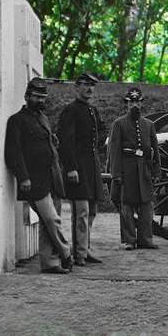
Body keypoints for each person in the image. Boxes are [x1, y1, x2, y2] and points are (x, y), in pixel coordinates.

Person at [4, 77, 73, 274]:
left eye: (43, 97)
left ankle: (50, 263)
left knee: (46, 222)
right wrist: (23, 177)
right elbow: (13, 152)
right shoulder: (16, 121)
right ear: (27, 96)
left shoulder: (42, 119)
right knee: (52, 219)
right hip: (34, 180)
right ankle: (66, 253)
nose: (40, 101)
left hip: (53, 176)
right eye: (36, 97)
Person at [57, 72, 105, 266]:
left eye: (92, 86)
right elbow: (65, 142)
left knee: (91, 211)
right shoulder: (71, 110)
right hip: (77, 167)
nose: (89, 89)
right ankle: (79, 254)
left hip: (91, 166)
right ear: (76, 88)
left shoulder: (92, 110)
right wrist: (70, 168)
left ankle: (85, 249)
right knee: (81, 211)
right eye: (85, 85)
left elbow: (99, 133)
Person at [107, 87, 161, 250]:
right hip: (126, 168)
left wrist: (156, 170)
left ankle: (145, 239)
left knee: (146, 205)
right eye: (131, 103)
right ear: (127, 104)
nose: (134, 105)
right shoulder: (118, 124)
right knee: (127, 207)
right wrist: (116, 173)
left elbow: (155, 149)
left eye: (137, 102)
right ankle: (130, 240)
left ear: (141, 103)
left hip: (144, 168)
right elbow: (114, 150)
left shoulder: (149, 125)